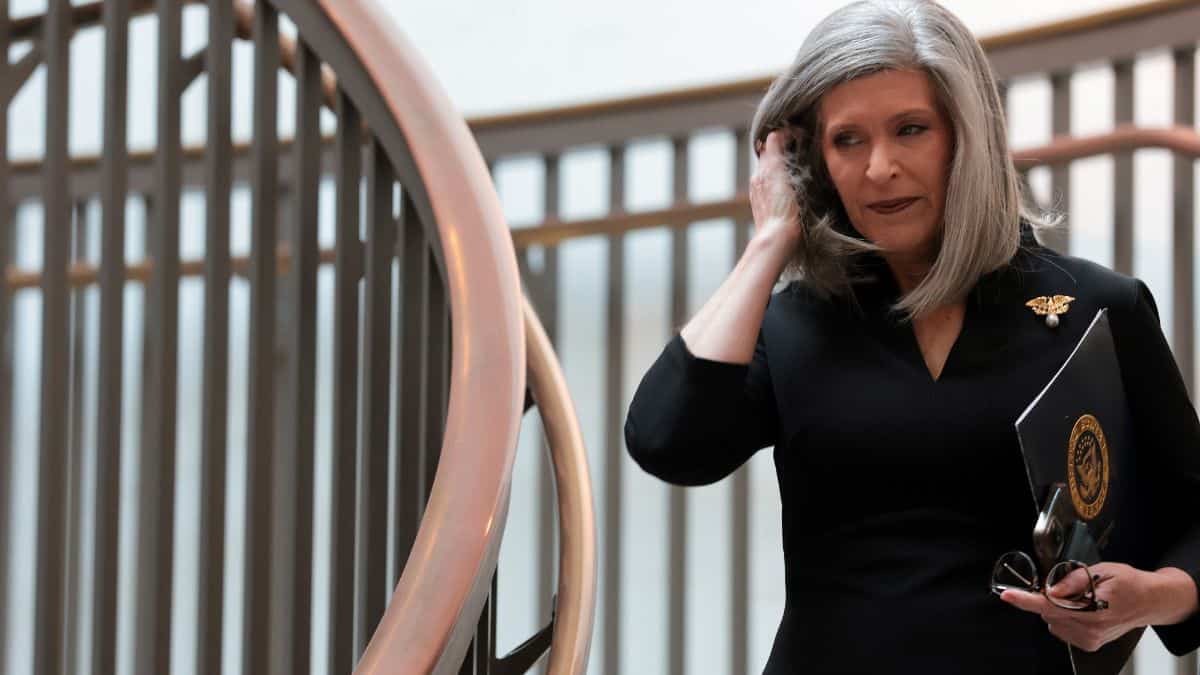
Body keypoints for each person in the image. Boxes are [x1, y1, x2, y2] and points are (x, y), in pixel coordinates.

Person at [621, 1, 1200, 673]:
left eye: (910, 129)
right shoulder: (792, 324)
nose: (879, 167)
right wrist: (771, 241)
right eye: (847, 140)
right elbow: (667, 440)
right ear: (813, 161)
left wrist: (1153, 597)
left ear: (966, 136)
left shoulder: (1096, 309)